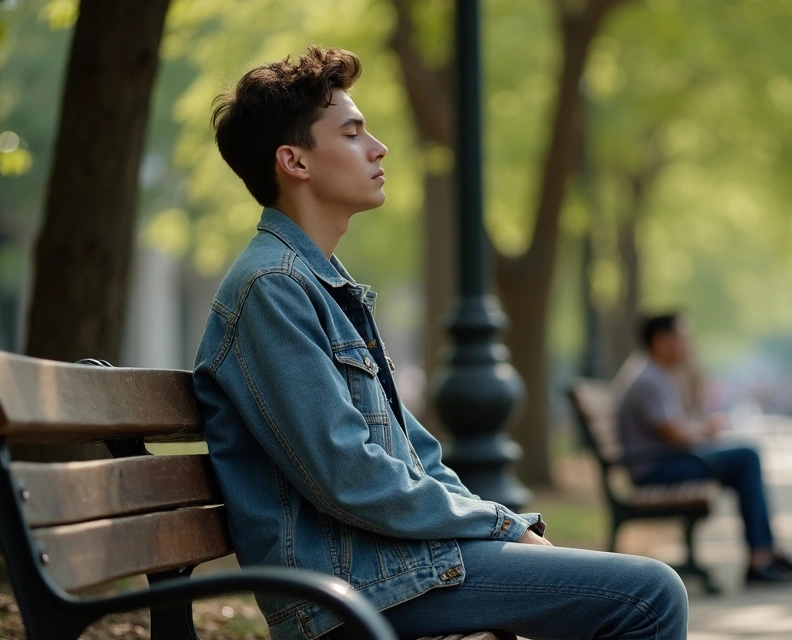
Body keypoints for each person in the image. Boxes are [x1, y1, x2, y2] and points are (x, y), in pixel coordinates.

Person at [192, 47, 687, 640]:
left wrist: (501, 527)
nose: (378, 148)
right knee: (649, 595)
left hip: (393, 571)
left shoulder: (322, 283)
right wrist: (497, 522)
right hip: (352, 591)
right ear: (294, 161)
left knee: (632, 588)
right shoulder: (272, 289)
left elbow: (415, 456)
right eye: (352, 134)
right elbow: (347, 477)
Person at [617, 313, 792, 585]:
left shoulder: (659, 376)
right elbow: (675, 435)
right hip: (654, 469)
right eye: (682, 337)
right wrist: (707, 430)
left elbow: (678, 428)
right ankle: (762, 557)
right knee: (747, 456)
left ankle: (765, 554)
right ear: (661, 341)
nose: (689, 344)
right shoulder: (649, 380)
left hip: (663, 461)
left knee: (744, 462)